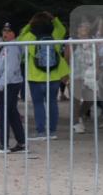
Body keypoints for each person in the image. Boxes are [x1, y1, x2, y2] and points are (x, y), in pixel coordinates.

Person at [18, 12, 69, 140]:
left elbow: (20, 38)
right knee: (52, 103)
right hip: (53, 76)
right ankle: (52, 132)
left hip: (35, 77)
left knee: (38, 104)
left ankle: (41, 132)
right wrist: (53, 18)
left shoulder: (29, 37)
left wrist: (29, 24)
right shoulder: (55, 35)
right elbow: (62, 28)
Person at [0, 22, 26, 153]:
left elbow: (10, 69)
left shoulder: (12, 47)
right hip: (7, 82)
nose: (5, 34)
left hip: (9, 84)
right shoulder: (6, 46)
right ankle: (21, 143)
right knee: (12, 113)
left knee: (4, 113)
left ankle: (3, 145)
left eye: (9, 31)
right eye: (4, 31)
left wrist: (1, 85)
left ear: (14, 33)